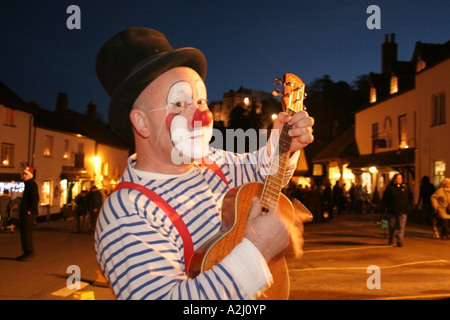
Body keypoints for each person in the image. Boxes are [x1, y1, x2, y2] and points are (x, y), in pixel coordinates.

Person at [94, 27, 314, 300]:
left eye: (200, 100)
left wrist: (283, 146)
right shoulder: (127, 213)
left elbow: (261, 174)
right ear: (141, 122)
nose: (203, 115)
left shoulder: (212, 162)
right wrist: (258, 250)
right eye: (178, 104)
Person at [382, 173, 413, 247]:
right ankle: (391, 237)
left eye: (401, 178)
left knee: (401, 226)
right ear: (394, 179)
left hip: (403, 210)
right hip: (392, 210)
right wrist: (384, 207)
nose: (399, 180)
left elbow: (410, 197)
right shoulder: (390, 188)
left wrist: (409, 206)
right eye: (398, 178)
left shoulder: (405, 187)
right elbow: (385, 199)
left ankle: (400, 240)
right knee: (392, 225)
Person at [17, 167, 40, 261]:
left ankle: (28, 252)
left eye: (25, 174)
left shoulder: (31, 184)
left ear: (29, 175)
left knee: (26, 233)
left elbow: (35, 198)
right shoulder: (28, 184)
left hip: (28, 214)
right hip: (26, 212)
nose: (23, 176)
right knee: (25, 233)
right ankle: (27, 252)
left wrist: (30, 210)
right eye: (23, 174)